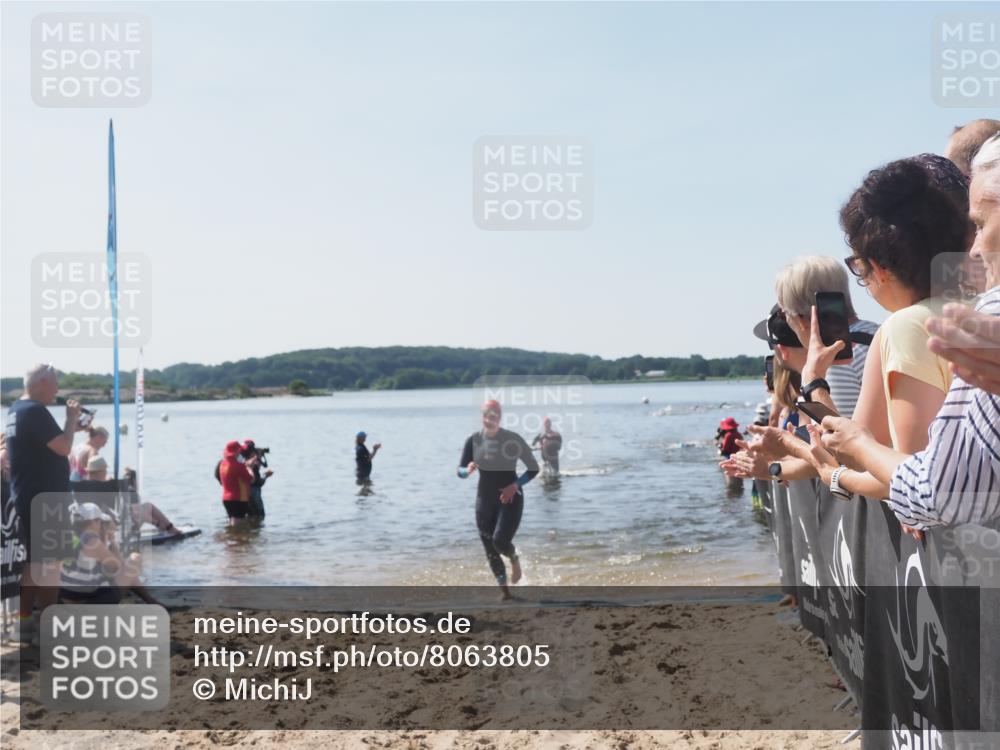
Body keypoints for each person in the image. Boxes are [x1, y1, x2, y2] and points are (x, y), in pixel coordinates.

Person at [805, 134, 1000, 530]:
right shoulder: (979, 309)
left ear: (876, 267)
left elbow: (913, 475)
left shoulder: (907, 326)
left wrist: (812, 387)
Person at [4, 364, 83, 642]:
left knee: (34, 564)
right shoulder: (34, 411)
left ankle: (24, 624)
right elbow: (63, 446)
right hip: (45, 499)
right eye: (55, 384)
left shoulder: (16, 410)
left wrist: (70, 427)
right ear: (41, 382)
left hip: (28, 496)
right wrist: (71, 419)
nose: (58, 390)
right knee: (51, 565)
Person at [458, 400, 539, 599]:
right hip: (484, 500)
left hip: (510, 498)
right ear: (482, 417)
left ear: (499, 417)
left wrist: (515, 485)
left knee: (500, 541)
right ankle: (505, 592)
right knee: (490, 549)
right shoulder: (473, 440)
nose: (489, 420)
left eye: (493, 416)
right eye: (486, 416)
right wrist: (466, 470)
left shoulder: (512, 440)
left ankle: (514, 558)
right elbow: (459, 471)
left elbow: (533, 468)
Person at [59, 503, 159, 605]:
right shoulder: (91, 540)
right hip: (86, 600)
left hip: (67, 593)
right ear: (94, 521)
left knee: (123, 571)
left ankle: (150, 600)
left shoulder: (73, 535)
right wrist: (112, 539)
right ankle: (150, 600)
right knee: (134, 560)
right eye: (100, 521)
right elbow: (118, 566)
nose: (101, 525)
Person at [218, 440, 253, 525]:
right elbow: (250, 478)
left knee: (232, 522)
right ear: (236, 451)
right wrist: (249, 468)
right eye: (239, 450)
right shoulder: (238, 466)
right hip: (238, 498)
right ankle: (237, 537)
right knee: (239, 524)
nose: (240, 452)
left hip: (226, 498)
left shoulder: (222, 464)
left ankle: (232, 537)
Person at [241, 440, 273, 518]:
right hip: (254, 494)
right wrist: (266, 475)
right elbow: (257, 482)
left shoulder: (240, 461)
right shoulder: (252, 464)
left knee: (248, 517)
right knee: (260, 516)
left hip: (242, 495)